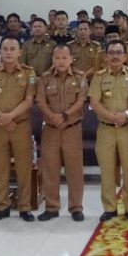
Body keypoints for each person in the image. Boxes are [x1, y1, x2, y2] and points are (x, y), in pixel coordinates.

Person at [0, 36, 37, 222]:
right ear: (0, 52)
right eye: (5, 49)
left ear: (19, 52)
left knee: (23, 168)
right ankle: (2, 206)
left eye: (13, 49)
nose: (8, 52)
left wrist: (10, 117)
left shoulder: (29, 73)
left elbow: (29, 100)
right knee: (0, 167)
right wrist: (1, 118)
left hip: (20, 126)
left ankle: (24, 207)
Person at [88, 40, 128, 222]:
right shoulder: (99, 76)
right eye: (111, 53)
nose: (115, 56)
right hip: (106, 129)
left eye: (119, 53)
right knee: (107, 169)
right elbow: (94, 102)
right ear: (106, 56)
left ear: (125, 56)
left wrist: (126, 114)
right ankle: (109, 207)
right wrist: (112, 117)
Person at [35, 45, 88, 222]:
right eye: (57, 58)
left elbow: (81, 100)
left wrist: (64, 115)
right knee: (50, 170)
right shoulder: (45, 78)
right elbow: (41, 101)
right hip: (51, 129)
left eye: (64, 58)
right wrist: (53, 117)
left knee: (75, 170)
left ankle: (76, 207)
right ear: (53, 60)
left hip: (72, 128)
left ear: (71, 59)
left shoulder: (80, 77)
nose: (61, 61)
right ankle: (52, 207)